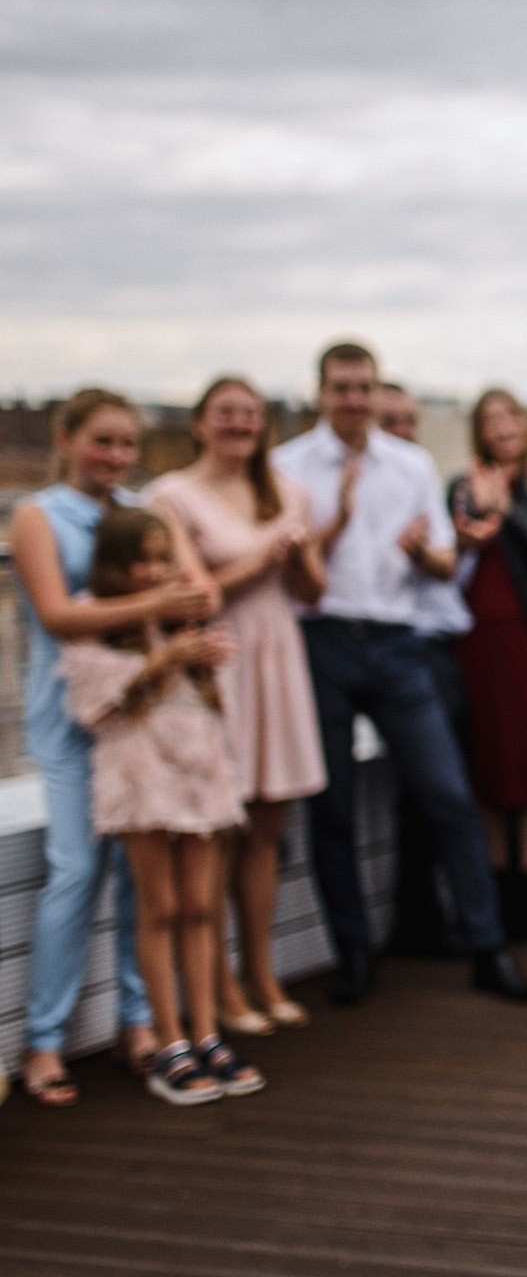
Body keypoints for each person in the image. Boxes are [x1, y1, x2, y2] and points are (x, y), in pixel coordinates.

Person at [273, 341, 527, 1005]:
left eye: (364, 386)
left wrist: (424, 551)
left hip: (398, 643)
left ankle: (488, 949)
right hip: (323, 640)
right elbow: (291, 575)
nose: (354, 398)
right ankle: (354, 958)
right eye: (342, 386)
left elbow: (448, 566)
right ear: (320, 391)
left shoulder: (412, 463)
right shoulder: (287, 467)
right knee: (330, 809)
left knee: (448, 794)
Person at [10, 390, 208, 1106]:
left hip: (140, 716)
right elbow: (60, 615)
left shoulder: (137, 512)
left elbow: (193, 588)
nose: (117, 455)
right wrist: (154, 606)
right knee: (74, 867)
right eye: (103, 440)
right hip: (69, 719)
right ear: (65, 439)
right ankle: (43, 1039)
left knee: (141, 878)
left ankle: (140, 1023)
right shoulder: (37, 514)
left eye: (127, 443)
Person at [60, 507, 265, 1104]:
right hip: (140, 772)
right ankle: (169, 1038)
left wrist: (200, 657)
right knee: (161, 907)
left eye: (162, 558)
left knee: (202, 904)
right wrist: (163, 661)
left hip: (198, 766)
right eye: (142, 559)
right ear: (117, 564)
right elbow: (94, 704)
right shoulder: (95, 616)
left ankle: (207, 1031)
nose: (154, 571)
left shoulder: (186, 612)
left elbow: (206, 690)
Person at [147, 377, 328, 1035]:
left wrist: (301, 553)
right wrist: (261, 557)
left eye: (250, 415)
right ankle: (218, 983)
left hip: (279, 655)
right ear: (198, 422)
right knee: (219, 825)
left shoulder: (290, 492)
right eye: (226, 413)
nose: (239, 424)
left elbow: (313, 589)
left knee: (267, 825)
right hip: (221, 663)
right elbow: (196, 595)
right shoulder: (170, 495)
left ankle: (263, 970)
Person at [451, 388, 527, 941]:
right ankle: (497, 882)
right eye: (490, 419)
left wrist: (507, 511)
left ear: (526, 427)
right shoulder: (461, 485)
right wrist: (476, 512)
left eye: (511, 416)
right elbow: (454, 551)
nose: (502, 426)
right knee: (487, 761)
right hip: (478, 635)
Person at [373, 381, 474, 956]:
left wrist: (456, 548)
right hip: (400, 649)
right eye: (394, 422)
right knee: (422, 794)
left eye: (411, 421)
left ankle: (435, 918)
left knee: (441, 793)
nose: (406, 433)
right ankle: (418, 921)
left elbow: (445, 573)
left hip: (439, 646)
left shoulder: (420, 481)